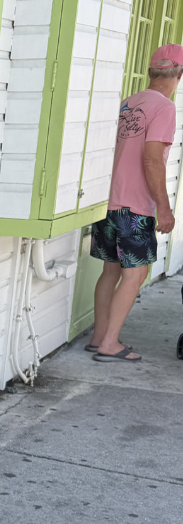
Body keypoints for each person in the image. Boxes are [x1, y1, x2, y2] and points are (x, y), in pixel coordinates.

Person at [89, 43, 182, 361]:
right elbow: (153, 159)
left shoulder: (128, 103)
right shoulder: (165, 108)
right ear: (179, 75)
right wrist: (164, 208)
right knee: (137, 273)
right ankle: (109, 344)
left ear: (151, 71)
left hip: (109, 201)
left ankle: (99, 336)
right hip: (135, 206)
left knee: (110, 270)